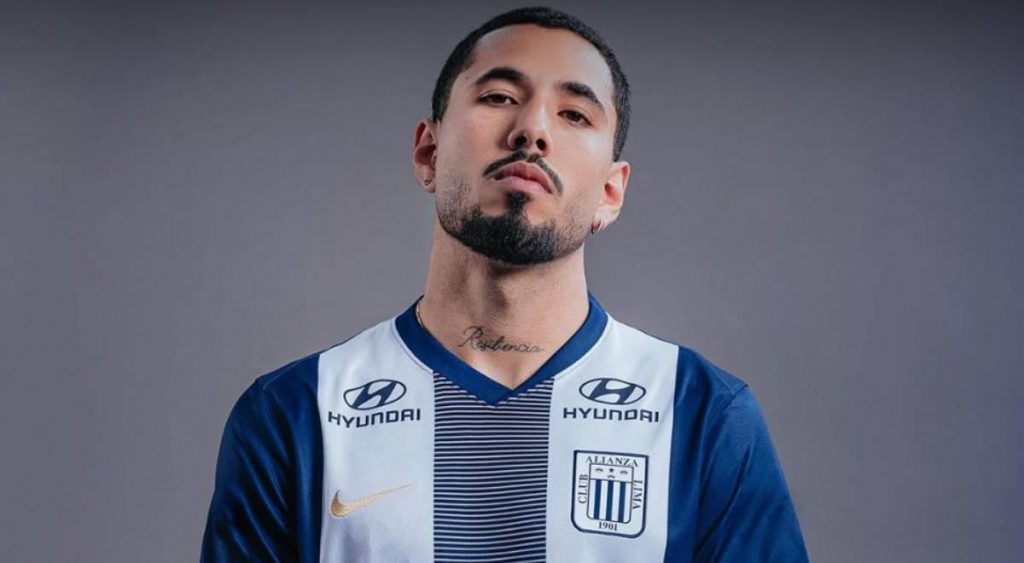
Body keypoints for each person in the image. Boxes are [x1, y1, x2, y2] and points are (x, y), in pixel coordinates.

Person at [201, 6, 809, 562]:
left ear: (610, 192)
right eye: (498, 96)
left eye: (574, 114)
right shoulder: (295, 412)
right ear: (428, 153)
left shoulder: (702, 413)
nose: (532, 129)